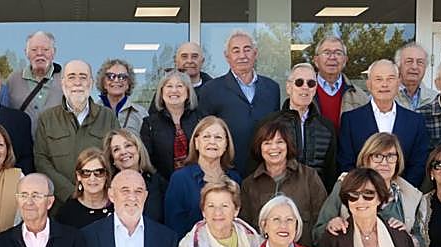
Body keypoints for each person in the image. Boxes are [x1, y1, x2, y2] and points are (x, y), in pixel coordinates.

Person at [314, 132, 424, 245]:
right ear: (366, 160)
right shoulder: (345, 185)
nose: (384, 163)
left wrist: (406, 238)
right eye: (377, 156)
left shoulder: (411, 195)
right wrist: (330, 226)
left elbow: (422, 243)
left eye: (390, 156)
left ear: (398, 161)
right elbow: (317, 233)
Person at [34, 59, 117, 206]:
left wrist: (95, 191)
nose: (77, 83)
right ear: (63, 83)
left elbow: (115, 158)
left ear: (90, 83)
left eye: (83, 77)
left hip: (98, 202)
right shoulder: (47, 118)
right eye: (72, 77)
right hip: (60, 206)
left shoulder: (107, 116)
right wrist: (69, 192)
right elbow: (41, 161)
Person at [337, 59, 429, 188]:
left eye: (390, 79)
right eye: (378, 79)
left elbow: (418, 164)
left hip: (402, 198)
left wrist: (398, 191)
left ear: (398, 83)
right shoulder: (350, 120)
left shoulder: (415, 121)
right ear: (369, 84)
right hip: (362, 197)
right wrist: (365, 189)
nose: (384, 84)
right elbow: (346, 162)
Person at [197, 30, 280, 170]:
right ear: (227, 56)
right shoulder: (210, 90)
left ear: (255, 53)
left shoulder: (272, 89)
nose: (242, 55)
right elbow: (204, 134)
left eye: (247, 50)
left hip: (265, 171)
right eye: (236, 51)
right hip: (226, 171)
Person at [239, 116, 327, 245]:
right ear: (260, 147)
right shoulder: (249, 185)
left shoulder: (309, 176)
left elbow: (323, 220)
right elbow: (245, 229)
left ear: (288, 145)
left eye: (279, 142)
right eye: (267, 143)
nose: (274, 147)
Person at [163, 116, 243, 238]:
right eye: (206, 137)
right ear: (196, 143)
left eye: (218, 137)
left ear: (226, 144)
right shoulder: (180, 179)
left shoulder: (235, 179)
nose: (212, 141)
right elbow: (174, 225)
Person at [276, 62, 338, 189]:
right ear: (289, 88)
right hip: (280, 197)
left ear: (315, 89)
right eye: (299, 82)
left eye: (310, 83)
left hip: (316, 199)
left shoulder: (327, 127)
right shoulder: (271, 124)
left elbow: (331, 172)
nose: (305, 87)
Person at [141, 69, 201, 182]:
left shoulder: (199, 119)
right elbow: (147, 161)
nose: (174, 90)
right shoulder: (149, 124)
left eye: (179, 86)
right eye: (169, 86)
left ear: (188, 92)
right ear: (161, 92)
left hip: (196, 183)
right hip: (163, 187)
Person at [104, 128, 164, 223]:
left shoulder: (158, 183)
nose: (123, 152)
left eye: (128, 145)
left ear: (138, 149)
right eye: (116, 149)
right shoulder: (106, 187)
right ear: (112, 159)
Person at [5, 30, 62, 129]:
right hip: (22, 143)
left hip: (55, 143)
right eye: (34, 49)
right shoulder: (13, 80)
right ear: (26, 53)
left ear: (54, 52)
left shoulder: (64, 80)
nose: (39, 53)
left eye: (45, 49)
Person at [311, 35, 369, 129]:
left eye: (338, 53)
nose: (332, 57)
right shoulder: (303, 91)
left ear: (345, 60)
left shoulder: (360, 97)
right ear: (316, 60)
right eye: (327, 53)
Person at [55, 147, 113, 229]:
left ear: (106, 175)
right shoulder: (66, 213)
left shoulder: (117, 207)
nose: (92, 178)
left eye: (98, 172)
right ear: (78, 176)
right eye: (86, 173)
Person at [96, 58, 147, 134]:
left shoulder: (141, 114)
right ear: (104, 83)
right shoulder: (91, 112)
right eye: (110, 76)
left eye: (122, 77)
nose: (116, 80)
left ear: (128, 84)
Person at [395, 42, 436, 111]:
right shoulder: (385, 96)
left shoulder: (435, 99)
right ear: (398, 65)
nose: (414, 67)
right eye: (409, 61)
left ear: (425, 67)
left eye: (420, 62)